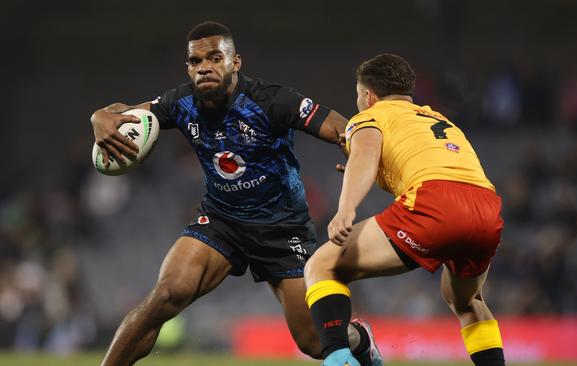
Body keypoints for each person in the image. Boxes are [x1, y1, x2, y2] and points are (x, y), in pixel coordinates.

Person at [90, 21, 382, 366]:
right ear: (188, 67)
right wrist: (99, 117)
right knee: (165, 296)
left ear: (235, 62)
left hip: (282, 230)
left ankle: (361, 340)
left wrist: (359, 153)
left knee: (315, 343)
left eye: (215, 58)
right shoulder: (180, 102)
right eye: (196, 62)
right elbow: (120, 115)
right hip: (221, 221)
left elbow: (341, 127)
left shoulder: (271, 100)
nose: (204, 68)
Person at [304, 53, 505, 366]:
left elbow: (366, 154)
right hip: (486, 207)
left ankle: (339, 359)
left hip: (436, 203)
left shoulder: (372, 115)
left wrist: (345, 210)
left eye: (358, 95)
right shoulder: (438, 119)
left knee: (322, 265)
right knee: (466, 300)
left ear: (368, 95)